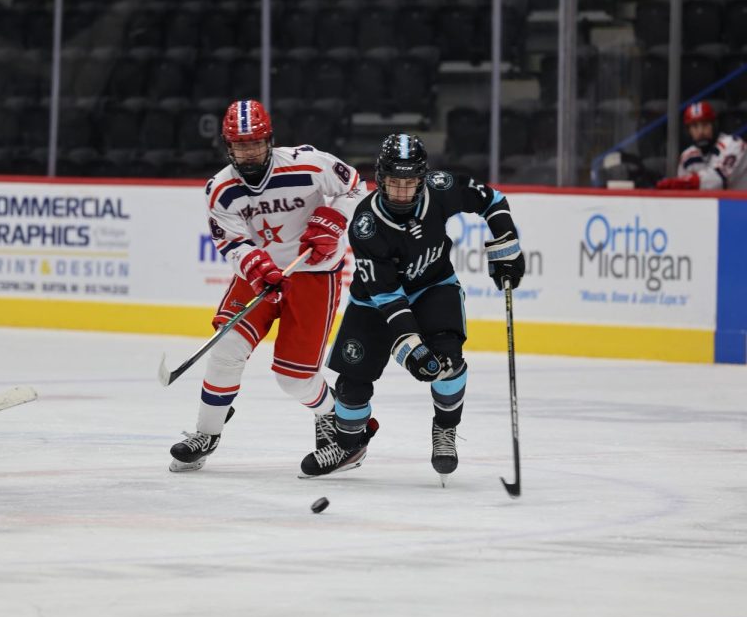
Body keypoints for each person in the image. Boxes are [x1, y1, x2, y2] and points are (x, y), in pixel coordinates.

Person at [299, 133, 525, 480]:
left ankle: (445, 430)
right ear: (380, 178)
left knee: (449, 359)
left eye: (410, 183)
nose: (402, 192)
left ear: (422, 179)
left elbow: (491, 200)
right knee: (351, 387)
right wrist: (412, 348)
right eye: (394, 183)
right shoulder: (366, 224)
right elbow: (389, 298)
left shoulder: (440, 189)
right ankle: (349, 444)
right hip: (374, 304)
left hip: (434, 287)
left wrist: (505, 244)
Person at [169, 99, 366, 473]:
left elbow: (356, 187)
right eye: (240, 145)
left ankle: (337, 421)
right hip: (260, 277)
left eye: (255, 142)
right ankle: (206, 433)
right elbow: (231, 241)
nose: (248, 151)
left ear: (270, 140)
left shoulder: (308, 163)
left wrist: (334, 220)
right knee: (226, 347)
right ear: (228, 146)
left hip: (313, 274)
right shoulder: (221, 188)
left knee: (294, 379)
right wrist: (254, 264)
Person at [656, 100, 747, 191]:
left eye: (705, 124)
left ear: (714, 125)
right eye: (695, 126)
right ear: (688, 131)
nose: (700, 132)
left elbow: (717, 180)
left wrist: (685, 183)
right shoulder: (688, 157)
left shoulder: (733, 145)